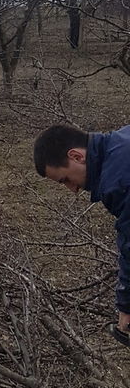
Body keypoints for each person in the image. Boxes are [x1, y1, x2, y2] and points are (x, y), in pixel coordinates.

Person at [33, 122, 130, 332]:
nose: (73, 189)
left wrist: (126, 305)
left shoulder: (118, 181)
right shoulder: (122, 139)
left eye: (65, 180)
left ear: (77, 156)